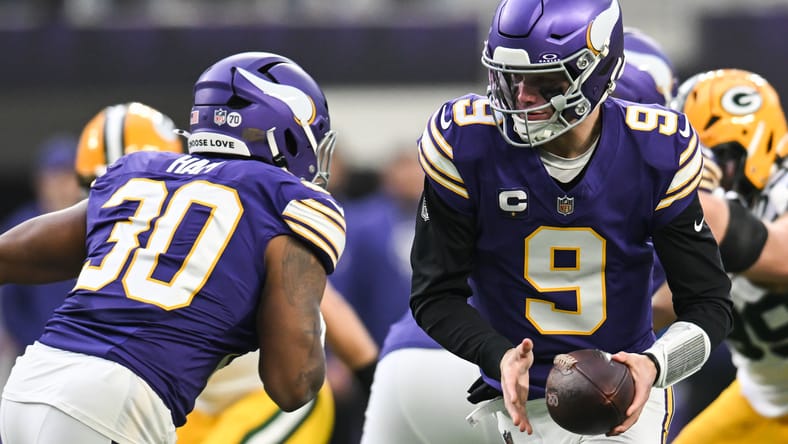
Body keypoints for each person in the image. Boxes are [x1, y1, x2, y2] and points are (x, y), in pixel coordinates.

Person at [408, 0, 737, 442]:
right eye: (510, 77)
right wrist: (498, 355)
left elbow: (710, 305)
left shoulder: (655, 152)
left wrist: (654, 365)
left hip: (625, 393)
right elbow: (434, 297)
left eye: (544, 81)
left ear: (597, 71)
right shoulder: (467, 143)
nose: (521, 96)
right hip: (517, 400)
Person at [0, 51, 344, 444]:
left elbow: (11, 254)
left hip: (29, 385)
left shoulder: (141, 171)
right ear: (287, 131)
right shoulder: (285, 202)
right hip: (116, 406)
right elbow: (292, 385)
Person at [359, 26, 682, 444]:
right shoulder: (652, 161)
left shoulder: (483, 145)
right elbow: (654, 307)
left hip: (416, 360)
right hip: (543, 383)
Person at [74, 101, 378, 444]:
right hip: (188, 408)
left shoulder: (234, 217)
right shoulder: (103, 242)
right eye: (99, 185)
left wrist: (375, 382)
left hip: (263, 398)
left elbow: (321, 305)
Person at [651, 68, 788, 444]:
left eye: (712, 159)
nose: (702, 174)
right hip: (764, 398)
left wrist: (697, 198)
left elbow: (777, 254)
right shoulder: (725, 213)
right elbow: (663, 306)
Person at [0, 136, 83, 357]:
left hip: (88, 350)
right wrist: (31, 343)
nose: (61, 187)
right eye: (55, 178)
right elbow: (9, 302)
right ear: (41, 182)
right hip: (34, 351)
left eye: (68, 178)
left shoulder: (98, 223)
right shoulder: (22, 226)